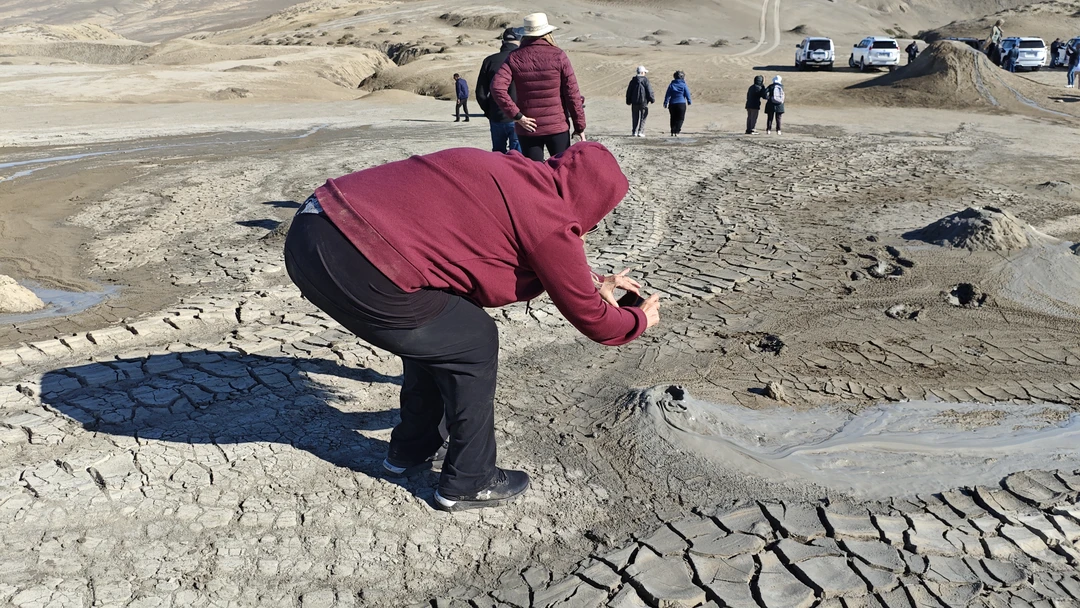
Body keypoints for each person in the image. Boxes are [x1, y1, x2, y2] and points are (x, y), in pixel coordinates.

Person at [282, 143, 661, 512]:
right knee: (474, 339)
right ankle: (470, 480)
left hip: (314, 225)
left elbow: (521, 242)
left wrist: (595, 280)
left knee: (443, 327)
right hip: (355, 260)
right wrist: (640, 317)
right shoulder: (551, 219)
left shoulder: (509, 172)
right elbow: (597, 322)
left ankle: (412, 449)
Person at [492, 13, 586, 161]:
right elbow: (572, 94)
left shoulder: (515, 57)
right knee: (561, 170)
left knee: (534, 172)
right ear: (547, 32)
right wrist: (579, 126)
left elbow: (497, 87)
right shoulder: (559, 55)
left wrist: (518, 116)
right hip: (557, 126)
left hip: (528, 127)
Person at [476, 28, 522, 153]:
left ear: (503, 42)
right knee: (517, 157)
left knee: (498, 155)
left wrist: (489, 111)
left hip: (497, 115)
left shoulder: (490, 61)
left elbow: (480, 93)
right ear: (519, 41)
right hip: (519, 116)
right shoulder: (523, 59)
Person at [625, 66, 654, 137]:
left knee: (635, 117)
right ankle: (640, 132)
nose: (645, 74)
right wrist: (652, 99)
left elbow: (629, 91)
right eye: (644, 72)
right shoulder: (645, 80)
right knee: (643, 117)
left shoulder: (633, 81)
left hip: (634, 102)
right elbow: (649, 90)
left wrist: (628, 100)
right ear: (642, 72)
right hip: (643, 102)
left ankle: (634, 131)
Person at [663, 70, 691, 137]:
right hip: (681, 103)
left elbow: (667, 94)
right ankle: (677, 131)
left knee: (673, 118)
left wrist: (666, 102)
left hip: (672, 103)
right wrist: (689, 101)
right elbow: (687, 93)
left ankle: (673, 131)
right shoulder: (683, 85)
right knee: (680, 118)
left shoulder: (672, 85)